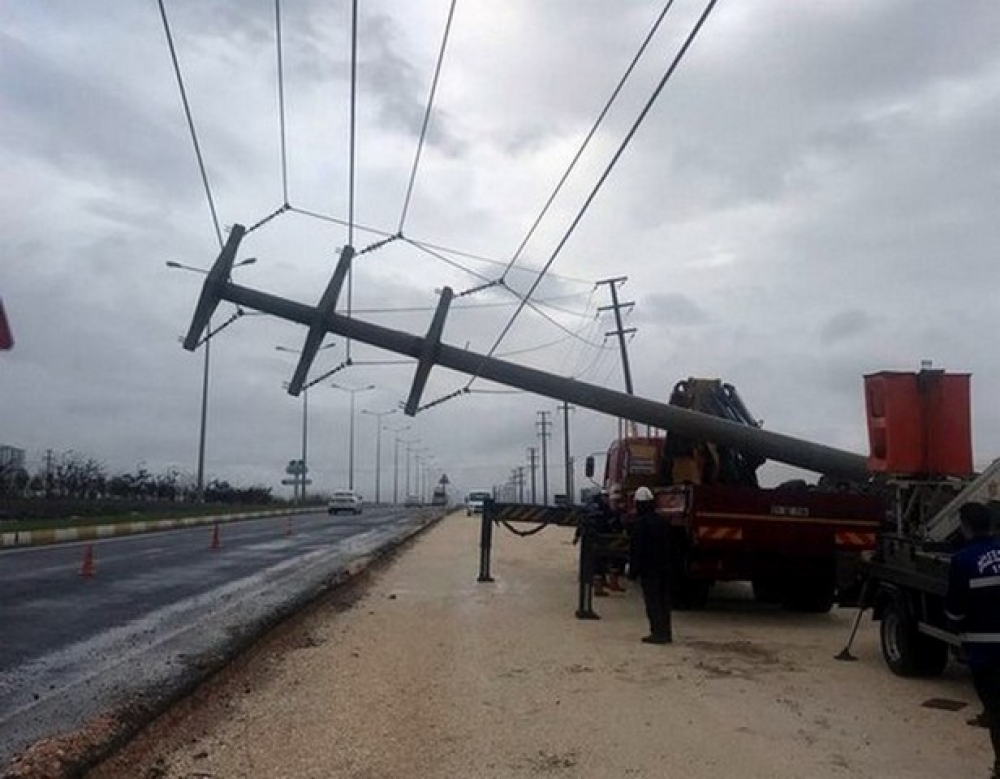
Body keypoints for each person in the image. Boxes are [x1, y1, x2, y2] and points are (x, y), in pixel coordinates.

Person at [945, 501, 1000, 778]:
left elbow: (954, 611)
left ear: (964, 527)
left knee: (996, 712)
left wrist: (954, 628)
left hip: (985, 653)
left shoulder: (963, 560)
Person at [628, 485, 672, 644]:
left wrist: (633, 572)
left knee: (653, 602)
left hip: (649, 571)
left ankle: (657, 633)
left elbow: (636, 549)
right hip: (665, 569)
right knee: (664, 602)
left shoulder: (640, 524)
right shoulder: (663, 522)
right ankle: (666, 633)